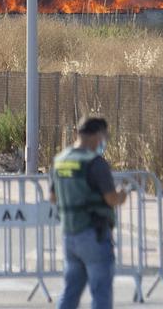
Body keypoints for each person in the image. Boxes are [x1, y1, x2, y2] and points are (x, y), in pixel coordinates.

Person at [50, 115, 126, 309]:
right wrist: (122, 195)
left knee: (70, 292)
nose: (103, 142)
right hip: (94, 234)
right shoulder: (95, 163)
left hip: (70, 235)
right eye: (104, 137)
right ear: (97, 135)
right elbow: (111, 198)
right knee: (101, 293)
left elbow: (53, 197)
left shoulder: (60, 160)